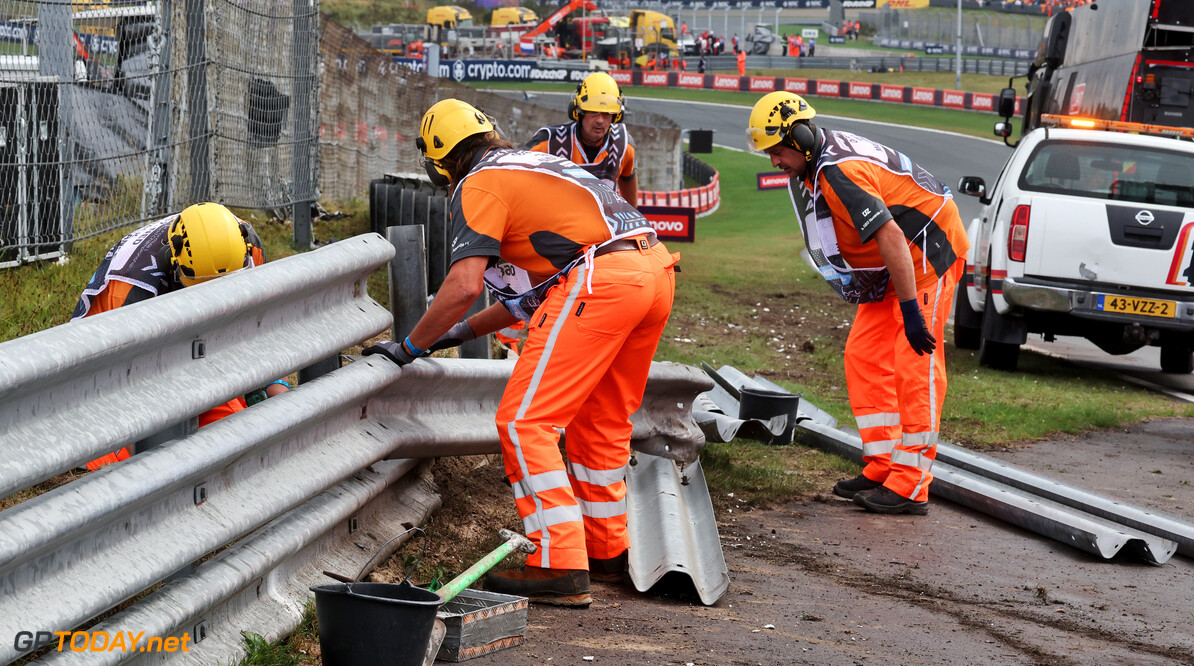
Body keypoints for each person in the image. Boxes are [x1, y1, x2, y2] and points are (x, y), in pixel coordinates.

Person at [364, 99, 678, 606]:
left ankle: (558, 563)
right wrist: (453, 335)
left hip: (601, 280)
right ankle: (602, 552)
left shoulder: (478, 184)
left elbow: (465, 283)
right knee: (601, 420)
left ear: (440, 157)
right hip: (652, 270)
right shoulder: (535, 166)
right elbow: (523, 302)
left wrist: (409, 347)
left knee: (524, 422)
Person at [745, 92, 969, 515]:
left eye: (777, 151)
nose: (773, 161)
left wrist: (908, 308)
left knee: (915, 366)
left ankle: (911, 484)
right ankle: (884, 463)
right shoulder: (818, 164)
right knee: (863, 355)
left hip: (924, 258)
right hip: (894, 268)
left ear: (801, 137)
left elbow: (891, 236)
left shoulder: (839, 171)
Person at [73, 203, 289, 469]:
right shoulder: (130, 292)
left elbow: (258, 325)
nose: (216, 301)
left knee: (240, 437)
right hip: (113, 364)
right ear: (176, 266)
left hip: (185, 339)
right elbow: (129, 385)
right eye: (205, 289)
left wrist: (281, 398)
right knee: (133, 456)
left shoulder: (245, 244)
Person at [525, 71, 638, 206]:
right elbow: (516, 175)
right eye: (593, 112)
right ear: (579, 112)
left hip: (602, 223)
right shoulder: (549, 142)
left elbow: (628, 181)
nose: (600, 120)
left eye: (607, 114)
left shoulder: (623, 145)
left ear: (616, 116)